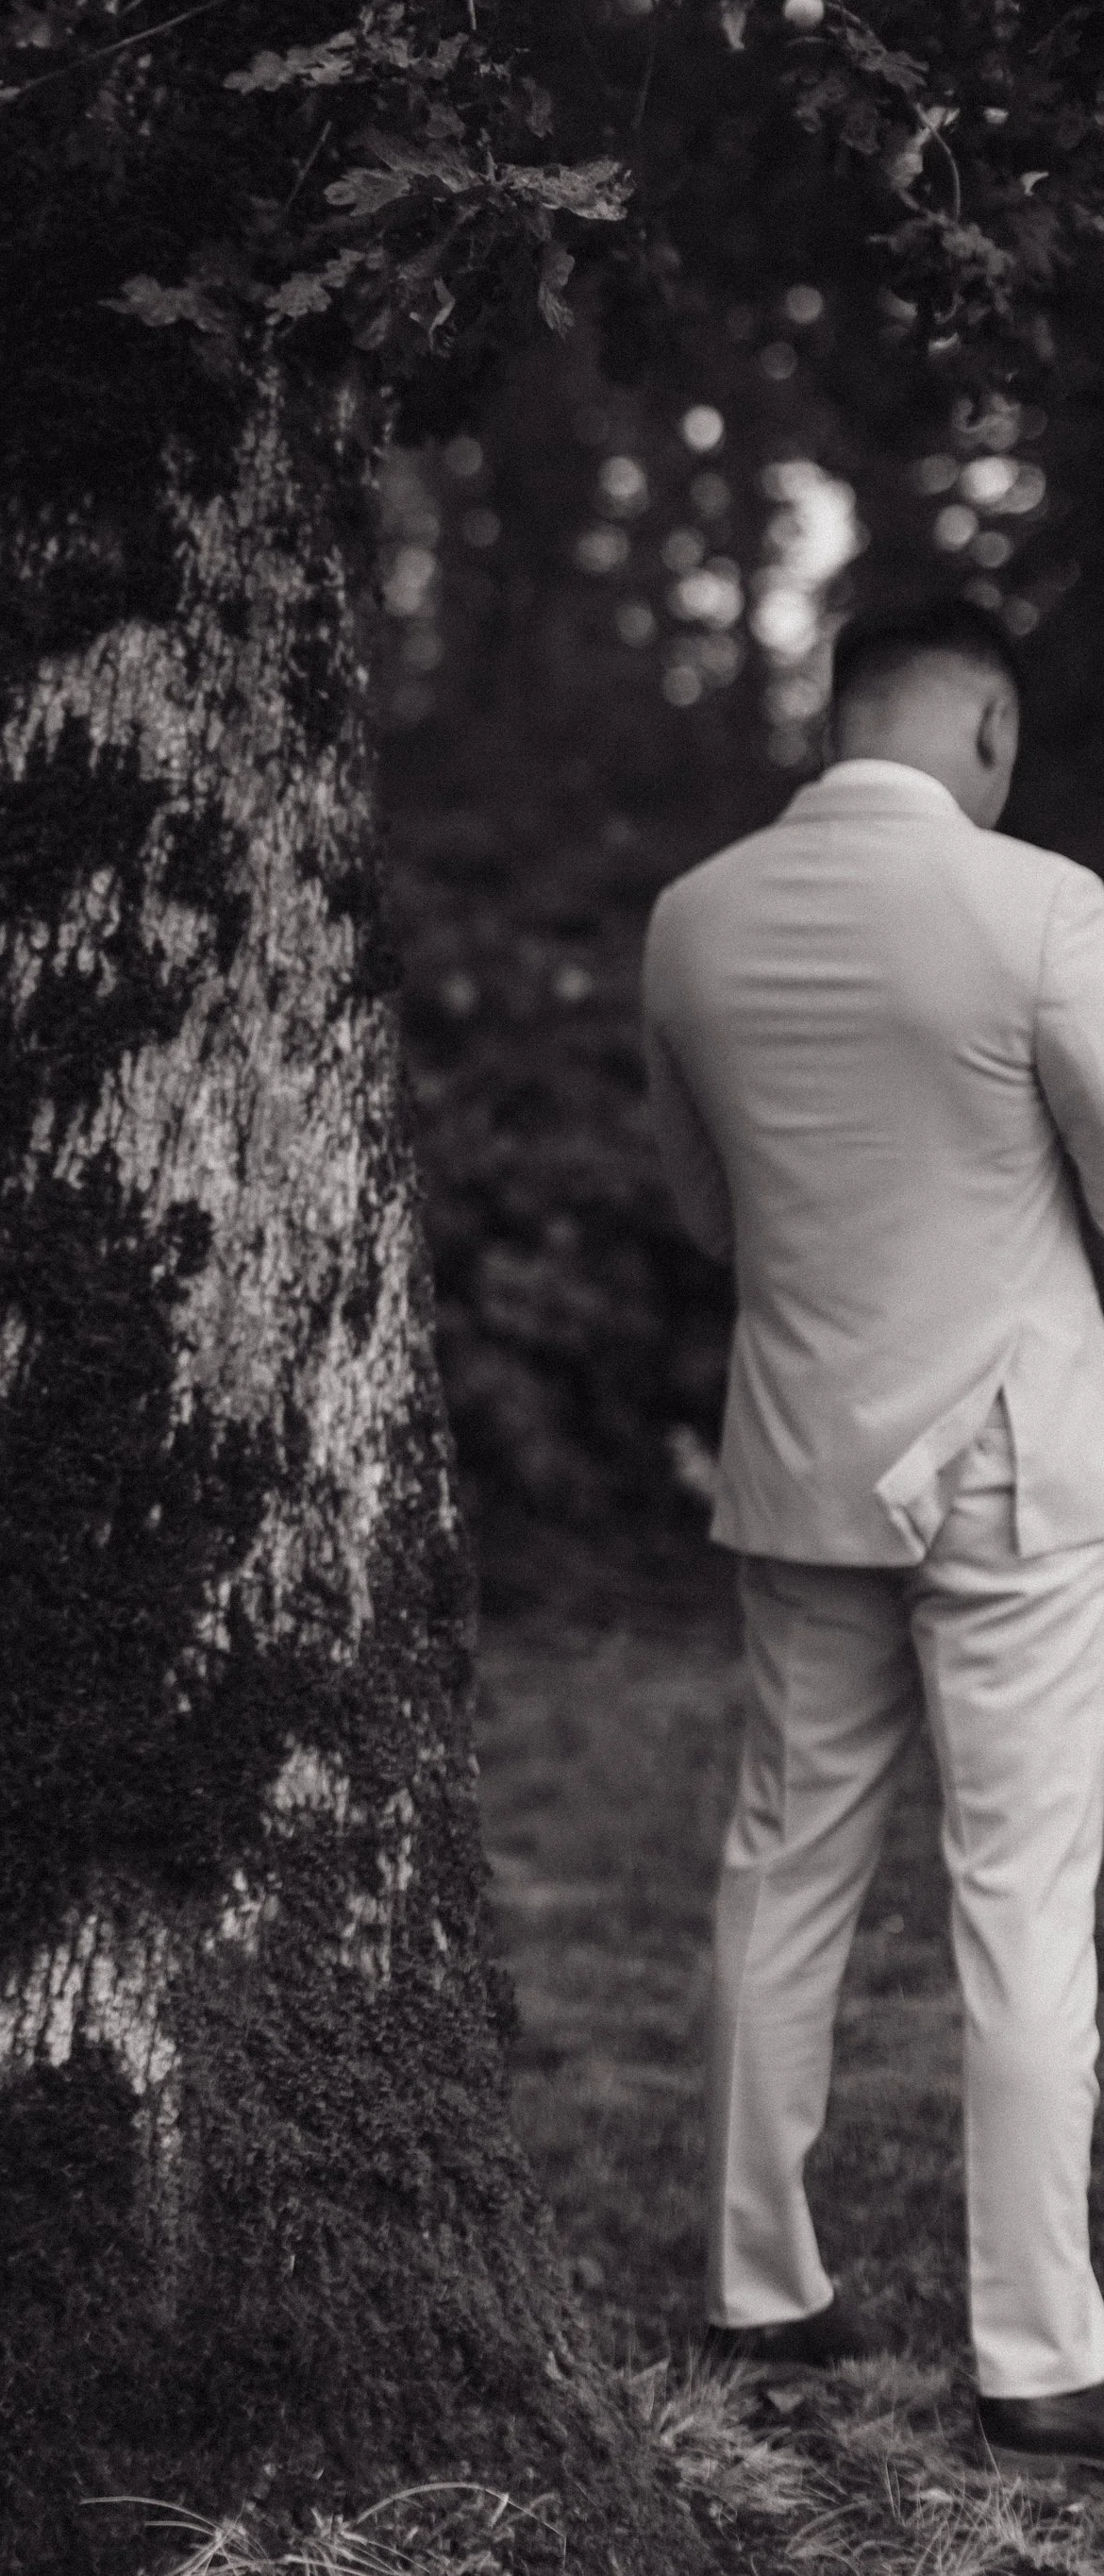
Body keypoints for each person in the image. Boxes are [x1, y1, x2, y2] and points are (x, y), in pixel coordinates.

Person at [644, 595, 1104, 2470]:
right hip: (1008, 1465)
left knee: (782, 1859)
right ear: (983, 729)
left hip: (799, 1454)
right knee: (1017, 1891)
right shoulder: (1041, 909)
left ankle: (759, 2286)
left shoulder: (692, 915)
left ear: (831, 723)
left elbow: (699, 1212)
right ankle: (1034, 2346)